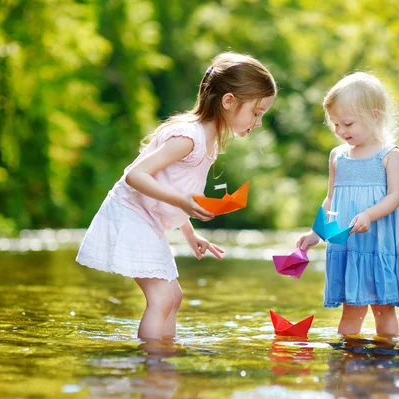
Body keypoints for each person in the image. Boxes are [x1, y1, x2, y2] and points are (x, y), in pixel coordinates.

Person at [76, 52, 277, 341]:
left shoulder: (210, 142)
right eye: (256, 112)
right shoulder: (189, 137)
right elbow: (135, 175)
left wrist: (189, 232)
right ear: (229, 101)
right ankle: (154, 364)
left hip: (147, 219)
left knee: (173, 296)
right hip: (129, 213)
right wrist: (182, 203)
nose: (258, 122)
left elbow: (177, 189)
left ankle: (163, 359)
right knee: (161, 298)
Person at [297, 72, 399, 337]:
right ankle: (346, 363)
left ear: (374, 115)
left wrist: (369, 215)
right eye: (335, 124)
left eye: (347, 123)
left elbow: (395, 196)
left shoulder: (390, 155)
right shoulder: (338, 156)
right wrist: (316, 232)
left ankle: (386, 363)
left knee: (384, 308)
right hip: (350, 245)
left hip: (378, 242)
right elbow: (330, 200)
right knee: (351, 307)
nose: (340, 131)